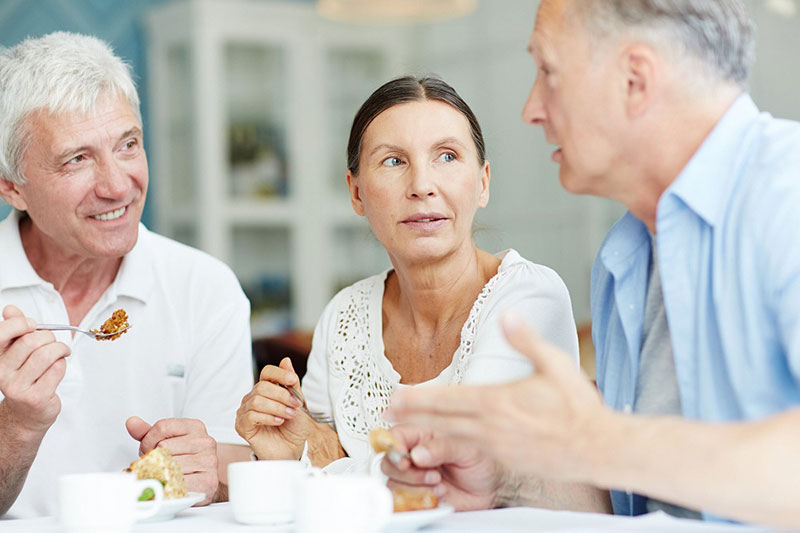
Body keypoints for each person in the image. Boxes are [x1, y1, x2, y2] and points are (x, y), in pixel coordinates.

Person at [381, 0, 800, 529]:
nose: (531, 108)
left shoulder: (789, 193)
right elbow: (635, 503)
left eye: (548, 72)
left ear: (634, 80)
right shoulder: (625, 255)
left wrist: (605, 441)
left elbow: (617, 451)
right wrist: (503, 480)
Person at [234, 75, 610, 511]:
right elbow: (310, 472)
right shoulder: (344, 315)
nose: (422, 185)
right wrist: (288, 444)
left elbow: (448, 478)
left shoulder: (528, 298)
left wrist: (320, 461)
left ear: (483, 182)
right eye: (393, 161)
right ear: (356, 192)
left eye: (447, 156)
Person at [0, 32, 253, 518]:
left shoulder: (205, 288)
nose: (118, 185)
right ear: (13, 188)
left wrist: (211, 473)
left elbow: (231, 465)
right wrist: (18, 424)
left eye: (128, 145)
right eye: (77, 159)